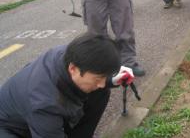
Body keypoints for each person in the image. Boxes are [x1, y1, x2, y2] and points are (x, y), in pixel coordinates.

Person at [0, 33, 135, 138]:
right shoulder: (45, 102)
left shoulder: (75, 54)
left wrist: (112, 80)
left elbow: (97, 80)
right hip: (10, 128)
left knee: (101, 92)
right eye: (98, 78)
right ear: (73, 68)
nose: (101, 83)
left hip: (38, 117)